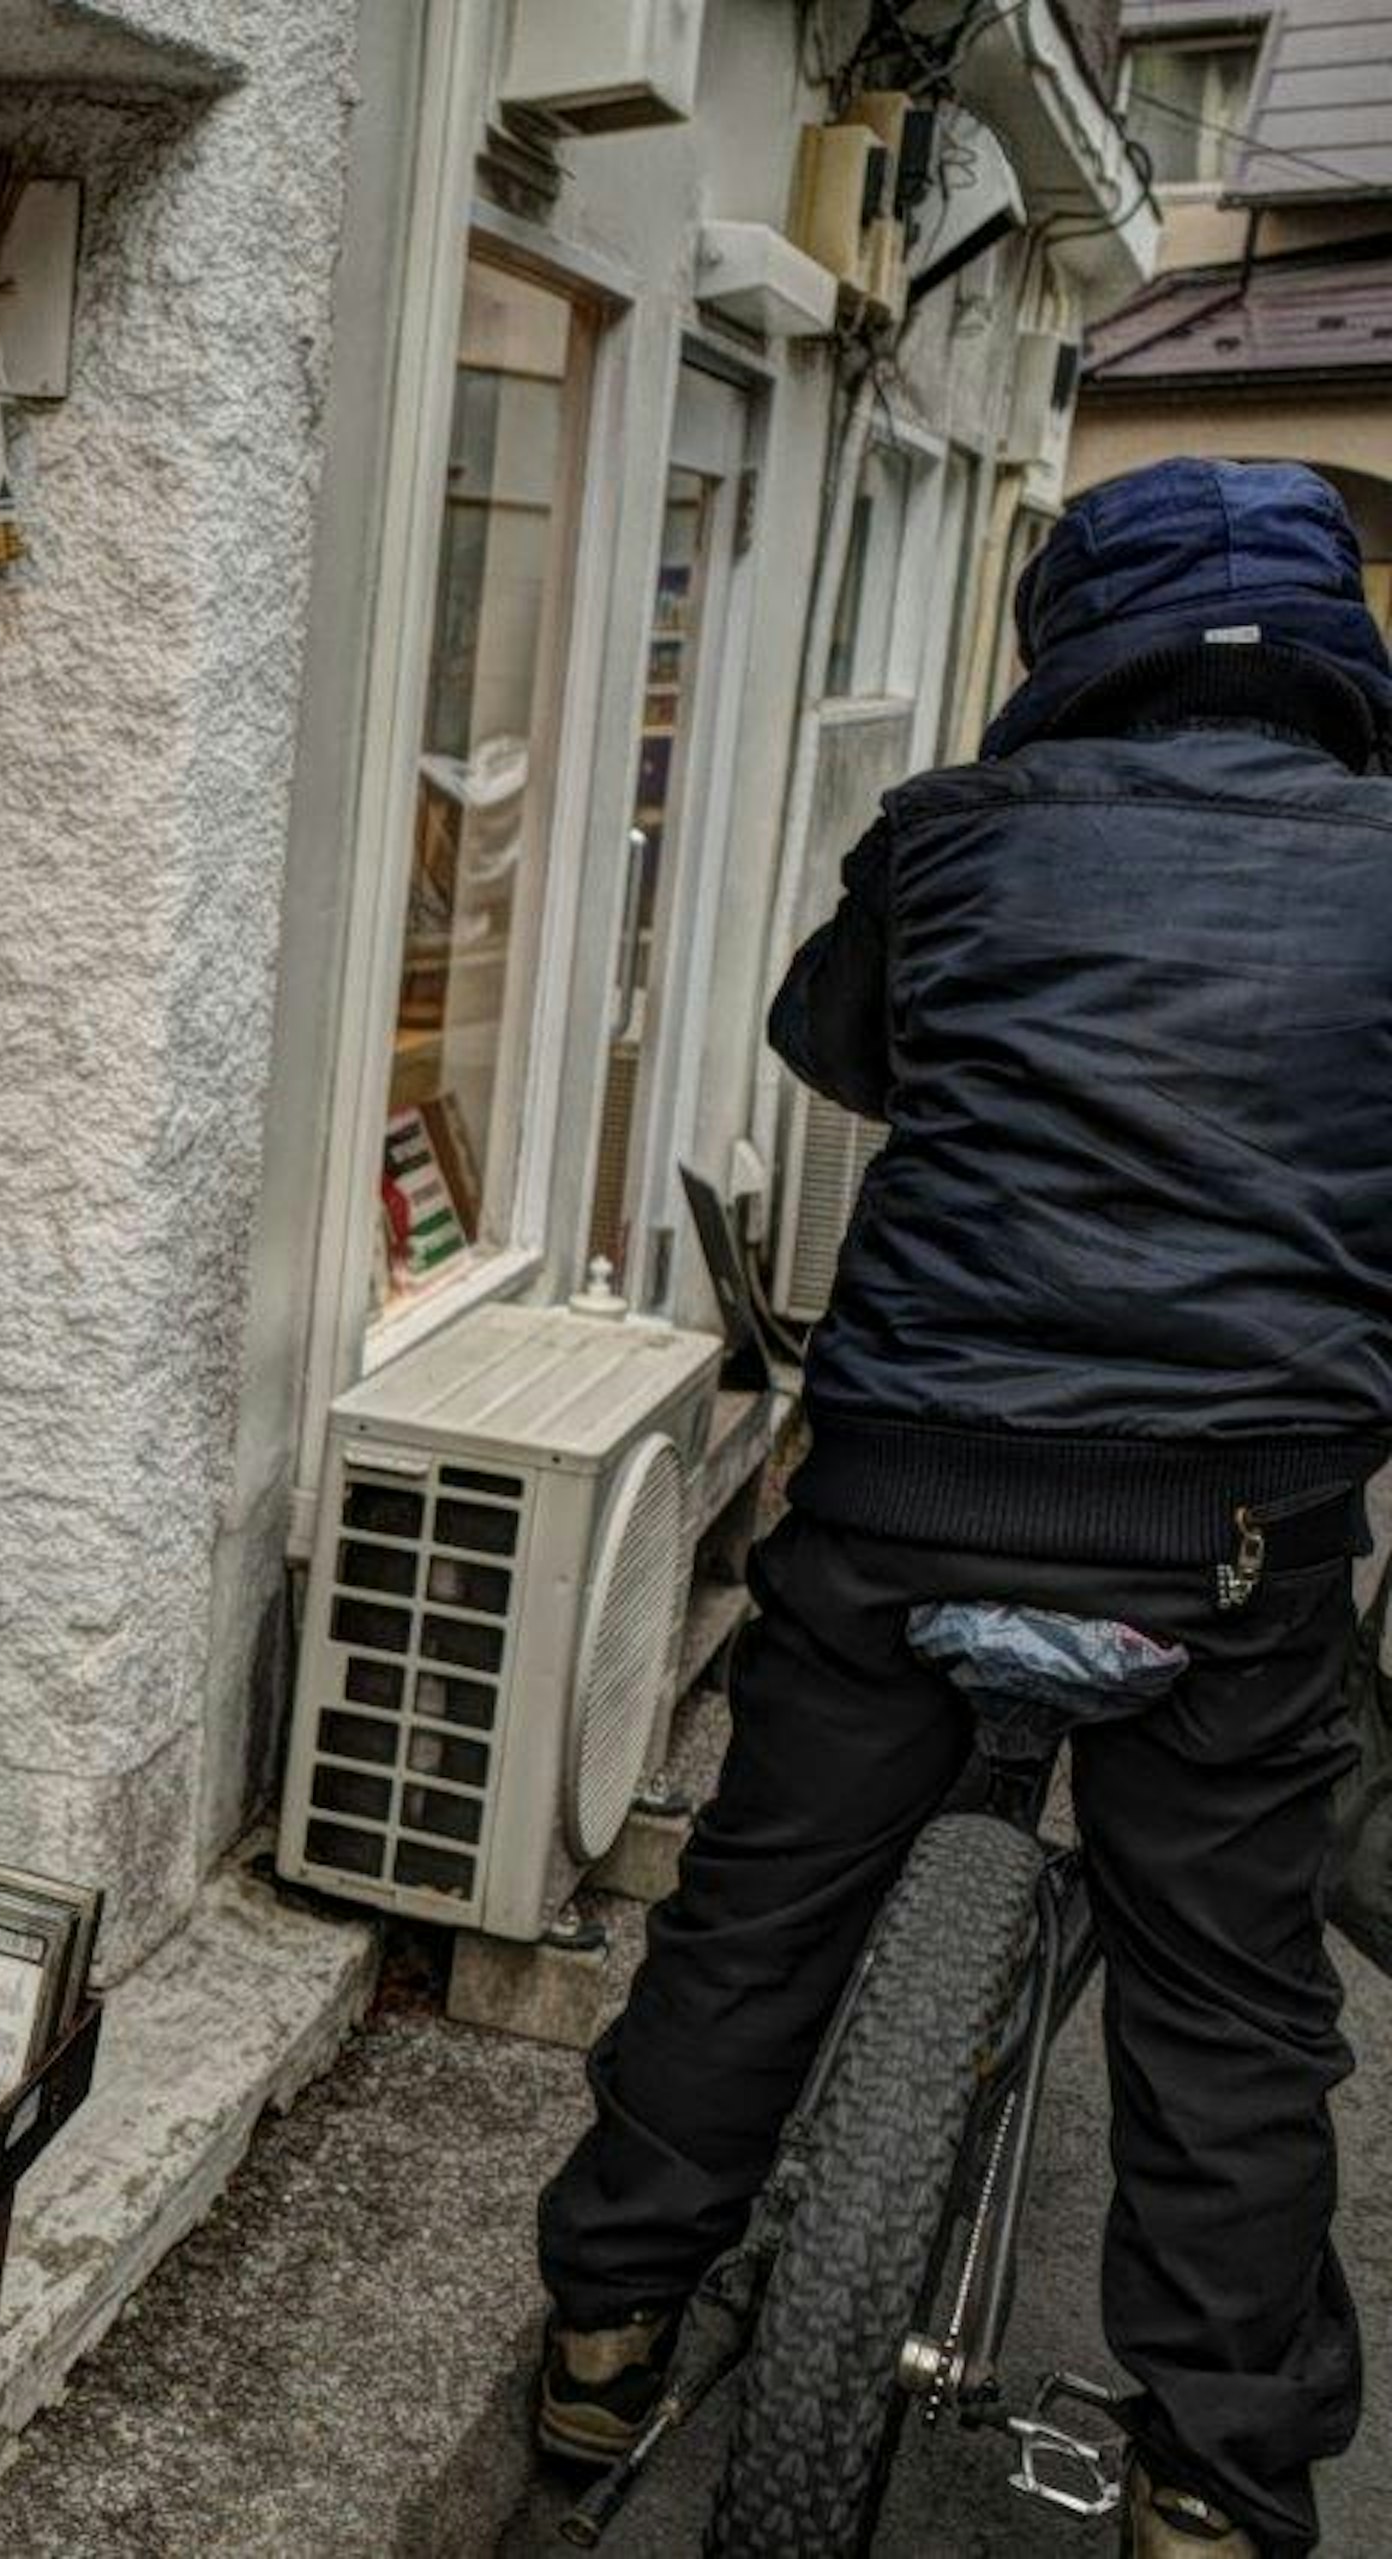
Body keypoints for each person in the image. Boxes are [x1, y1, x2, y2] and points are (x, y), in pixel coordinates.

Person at [528, 458, 1392, 2558]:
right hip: (1245, 1521)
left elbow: (836, 1043)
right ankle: (1213, 2479)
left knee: (761, 1904)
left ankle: (610, 2331)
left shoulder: (953, 836)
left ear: (1069, 642)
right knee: (1235, 1988)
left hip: (913, 1483)